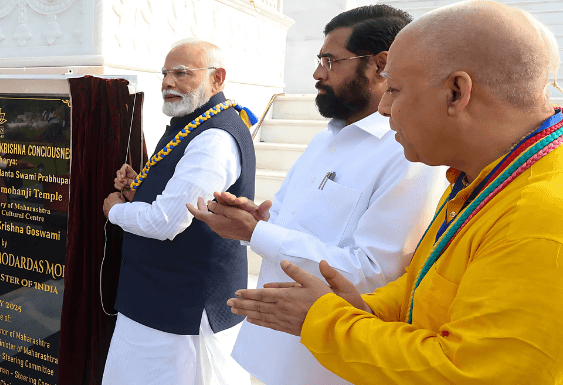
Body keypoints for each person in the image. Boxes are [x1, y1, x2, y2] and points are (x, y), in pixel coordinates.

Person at [225, 1, 563, 383]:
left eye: (396, 89)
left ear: (456, 92)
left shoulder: (538, 213)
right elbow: (424, 284)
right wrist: (365, 307)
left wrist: (323, 320)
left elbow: (471, 373)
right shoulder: (480, 179)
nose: (384, 108)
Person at [186, 5, 445, 384]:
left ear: (380, 65)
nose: (317, 72)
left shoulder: (408, 153)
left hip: (325, 364)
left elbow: (375, 274)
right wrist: (256, 218)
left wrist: (256, 233)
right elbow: (291, 225)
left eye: (330, 60)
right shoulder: (326, 137)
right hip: (272, 350)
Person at [101, 38, 256, 385]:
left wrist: (114, 210)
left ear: (217, 79)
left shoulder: (215, 138)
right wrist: (136, 189)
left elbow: (166, 220)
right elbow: (174, 193)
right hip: (156, 299)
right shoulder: (190, 121)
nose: (168, 82)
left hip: (183, 310)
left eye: (182, 73)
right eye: (165, 73)